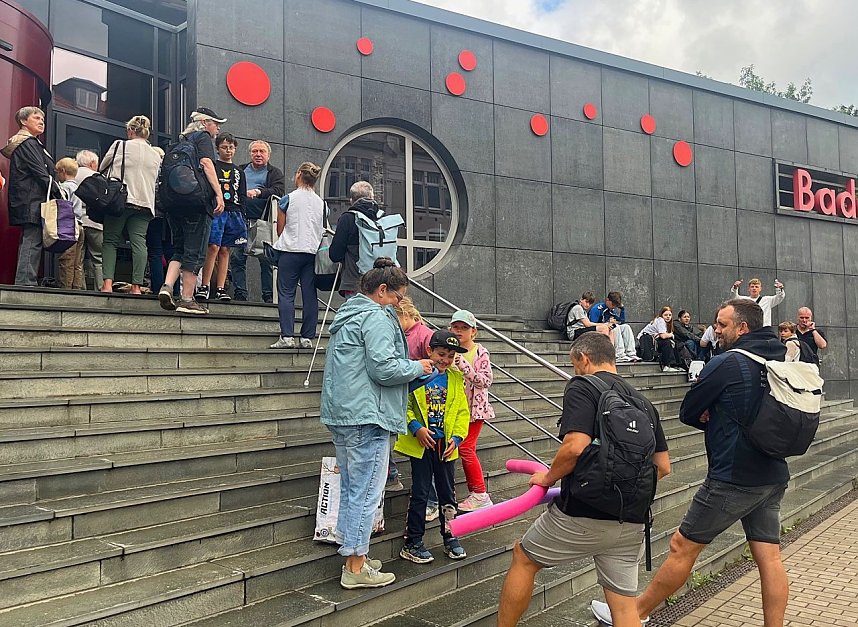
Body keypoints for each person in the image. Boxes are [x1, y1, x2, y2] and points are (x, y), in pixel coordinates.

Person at [591, 299, 790, 627]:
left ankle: (633, 615)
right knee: (769, 557)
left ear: (742, 328)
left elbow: (689, 409)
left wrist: (713, 415)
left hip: (733, 475)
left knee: (683, 546)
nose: (716, 329)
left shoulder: (727, 362)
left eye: (723, 324)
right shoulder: (777, 356)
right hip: (772, 472)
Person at [498, 332, 671, 627]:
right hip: (632, 519)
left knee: (524, 558)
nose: (574, 370)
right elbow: (663, 466)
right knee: (624, 606)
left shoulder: (583, 386)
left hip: (583, 513)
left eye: (574, 363)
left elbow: (574, 446)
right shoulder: (643, 403)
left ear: (583, 358)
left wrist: (547, 478)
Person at [320, 257, 433, 589]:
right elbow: (384, 368)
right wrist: (419, 368)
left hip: (346, 412)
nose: (400, 305)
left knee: (356, 487)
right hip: (367, 415)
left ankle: (356, 555)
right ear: (383, 291)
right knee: (366, 490)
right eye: (398, 297)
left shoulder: (349, 315)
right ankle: (355, 567)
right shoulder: (377, 317)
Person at [396, 329, 470, 564]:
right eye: (441, 354)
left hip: (445, 446)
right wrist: (416, 427)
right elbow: (403, 403)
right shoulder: (415, 373)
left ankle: (451, 536)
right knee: (420, 493)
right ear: (429, 351)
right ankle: (413, 541)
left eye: (450, 356)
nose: (445, 360)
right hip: (422, 443)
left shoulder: (456, 378)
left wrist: (456, 438)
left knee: (448, 494)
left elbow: (461, 412)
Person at [158, 107, 226, 315]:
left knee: (179, 248)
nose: (218, 128)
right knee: (195, 251)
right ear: (205, 123)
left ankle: (167, 287)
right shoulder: (203, 138)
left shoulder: (180, 142)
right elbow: (206, 163)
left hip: (173, 204)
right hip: (196, 203)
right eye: (216, 123)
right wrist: (219, 193)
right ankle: (187, 299)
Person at [100, 115, 162, 295]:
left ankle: (108, 285)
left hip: (121, 200)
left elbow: (103, 167)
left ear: (130, 130)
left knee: (111, 241)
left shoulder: (120, 145)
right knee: (139, 243)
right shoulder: (155, 154)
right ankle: (136, 287)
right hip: (145, 203)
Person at [2, 106, 59, 286]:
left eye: (42, 118)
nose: (41, 121)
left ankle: (26, 281)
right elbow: (40, 172)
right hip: (31, 200)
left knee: (31, 240)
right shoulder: (28, 143)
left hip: (30, 199)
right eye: (36, 118)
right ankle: (25, 283)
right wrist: (59, 191)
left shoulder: (29, 143)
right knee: (32, 241)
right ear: (24, 121)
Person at [270, 162, 325, 349]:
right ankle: (307, 337)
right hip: (312, 253)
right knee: (310, 295)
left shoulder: (287, 199)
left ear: (299, 174)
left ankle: (287, 336)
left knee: (286, 293)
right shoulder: (321, 203)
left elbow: (280, 229)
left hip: (290, 251)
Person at [449, 309, 494, 512]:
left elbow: (486, 381)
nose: (459, 331)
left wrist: (466, 367)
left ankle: (480, 493)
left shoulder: (479, 352)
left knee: (466, 448)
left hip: (474, 411)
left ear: (473, 331)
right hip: (453, 409)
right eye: (455, 327)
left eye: (464, 328)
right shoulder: (449, 350)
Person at [231, 140, 285, 302]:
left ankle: (268, 295)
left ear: (268, 155)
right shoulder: (240, 169)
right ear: (250, 154)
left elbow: (278, 191)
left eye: (262, 151)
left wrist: (258, 192)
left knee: (266, 260)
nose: (258, 154)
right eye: (255, 151)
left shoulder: (274, 172)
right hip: (240, 218)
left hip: (263, 220)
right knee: (237, 257)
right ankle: (240, 293)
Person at [196, 133, 247, 302]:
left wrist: (242, 214)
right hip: (217, 211)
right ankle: (204, 285)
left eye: (231, 147)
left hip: (234, 212)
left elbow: (242, 194)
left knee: (226, 250)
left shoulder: (239, 171)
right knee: (213, 247)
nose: (228, 151)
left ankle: (220, 287)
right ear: (217, 149)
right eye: (224, 147)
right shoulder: (214, 166)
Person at [392, 296, 435, 495]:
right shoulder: (402, 333)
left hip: (422, 397)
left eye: (396, 318)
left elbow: (437, 363)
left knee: (427, 458)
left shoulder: (424, 334)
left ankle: (431, 499)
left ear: (406, 315)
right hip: (407, 394)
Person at [329, 181, 383, 298]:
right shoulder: (381, 219)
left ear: (351, 200)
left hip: (353, 282)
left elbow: (335, 254)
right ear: (371, 197)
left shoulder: (347, 219)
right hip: (379, 284)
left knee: (355, 316)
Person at [74, 150, 103, 290]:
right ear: (92, 163)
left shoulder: (71, 175)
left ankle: (81, 289)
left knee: (77, 259)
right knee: (98, 259)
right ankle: (101, 288)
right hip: (94, 223)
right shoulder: (96, 177)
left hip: (76, 222)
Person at [54, 158, 85, 289]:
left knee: (66, 259)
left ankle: (65, 290)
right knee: (77, 262)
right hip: (80, 225)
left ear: (63, 171)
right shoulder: (79, 188)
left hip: (69, 226)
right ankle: (77, 289)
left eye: (57, 172)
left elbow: (61, 205)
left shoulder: (64, 187)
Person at [588, 291, 639, 363]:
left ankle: (631, 353)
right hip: (597, 332)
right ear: (607, 300)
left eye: (616, 305)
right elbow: (591, 324)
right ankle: (619, 354)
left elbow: (621, 321)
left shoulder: (611, 310)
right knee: (616, 327)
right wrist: (606, 324)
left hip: (608, 330)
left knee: (626, 327)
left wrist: (622, 309)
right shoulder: (597, 309)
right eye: (613, 304)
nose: (614, 306)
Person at [637, 306, 683, 372]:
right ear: (661, 315)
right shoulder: (660, 320)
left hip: (653, 340)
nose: (668, 317)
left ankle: (676, 365)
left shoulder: (665, 322)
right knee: (667, 342)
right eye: (666, 315)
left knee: (673, 342)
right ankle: (667, 365)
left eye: (670, 315)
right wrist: (671, 334)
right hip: (647, 341)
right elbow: (663, 336)